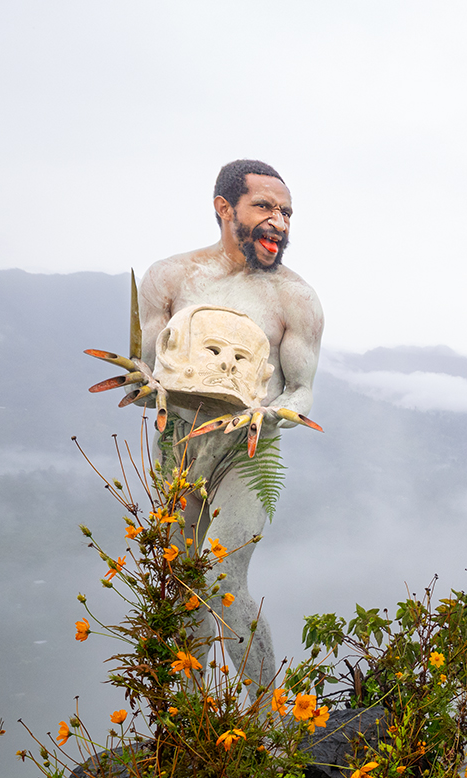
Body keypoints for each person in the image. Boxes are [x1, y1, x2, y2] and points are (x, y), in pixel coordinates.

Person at [136, 159, 324, 684]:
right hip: (177, 448)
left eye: (286, 211)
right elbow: (150, 368)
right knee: (181, 582)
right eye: (264, 206)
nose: (279, 221)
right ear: (224, 208)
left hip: (247, 451)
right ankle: (189, 720)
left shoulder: (295, 298)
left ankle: (269, 725)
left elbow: (302, 388)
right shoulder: (170, 279)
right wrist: (142, 384)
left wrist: (276, 412)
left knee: (221, 575)